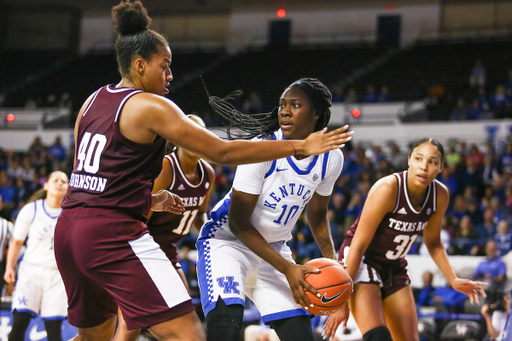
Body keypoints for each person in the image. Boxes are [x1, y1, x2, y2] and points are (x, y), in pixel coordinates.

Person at [53, 2, 353, 341]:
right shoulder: (151, 105)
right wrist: (298, 146)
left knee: (94, 337)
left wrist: (148, 197)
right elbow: (221, 151)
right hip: (112, 233)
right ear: (139, 65)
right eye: (164, 66)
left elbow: (94, 176)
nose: (170, 76)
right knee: (189, 335)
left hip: (68, 231)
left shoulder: (91, 101)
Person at [196, 78, 348, 341]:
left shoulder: (331, 158)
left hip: (273, 249)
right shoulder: (261, 148)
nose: (284, 111)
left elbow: (318, 218)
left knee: (300, 337)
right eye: (282, 105)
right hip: (227, 243)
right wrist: (288, 269)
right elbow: (239, 224)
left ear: (316, 114)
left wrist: (333, 265)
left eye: (295, 105)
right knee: (226, 329)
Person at [323, 138, 487, 341]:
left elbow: (434, 244)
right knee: (378, 337)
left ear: (440, 167)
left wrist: (452, 278)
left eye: (432, 162)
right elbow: (358, 246)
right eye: (419, 158)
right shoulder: (388, 188)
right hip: (362, 261)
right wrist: (341, 301)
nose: (424, 166)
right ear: (409, 160)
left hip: (394, 265)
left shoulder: (440, 194)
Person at [113, 114, 215, 341]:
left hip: (168, 250)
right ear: (178, 137)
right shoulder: (167, 167)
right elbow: (139, 217)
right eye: (190, 132)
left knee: (185, 321)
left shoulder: (208, 173)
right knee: (130, 326)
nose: (196, 138)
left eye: (201, 133)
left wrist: (211, 235)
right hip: (142, 249)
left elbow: (198, 214)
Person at [4, 171, 68, 341]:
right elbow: (17, 242)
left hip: (57, 275)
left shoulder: (70, 213)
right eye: (55, 180)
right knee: (19, 324)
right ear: (46, 185)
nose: (60, 183)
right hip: (30, 271)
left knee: (54, 330)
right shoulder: (31, 209)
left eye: (64, 181)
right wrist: (9, 267)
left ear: (69, 188)